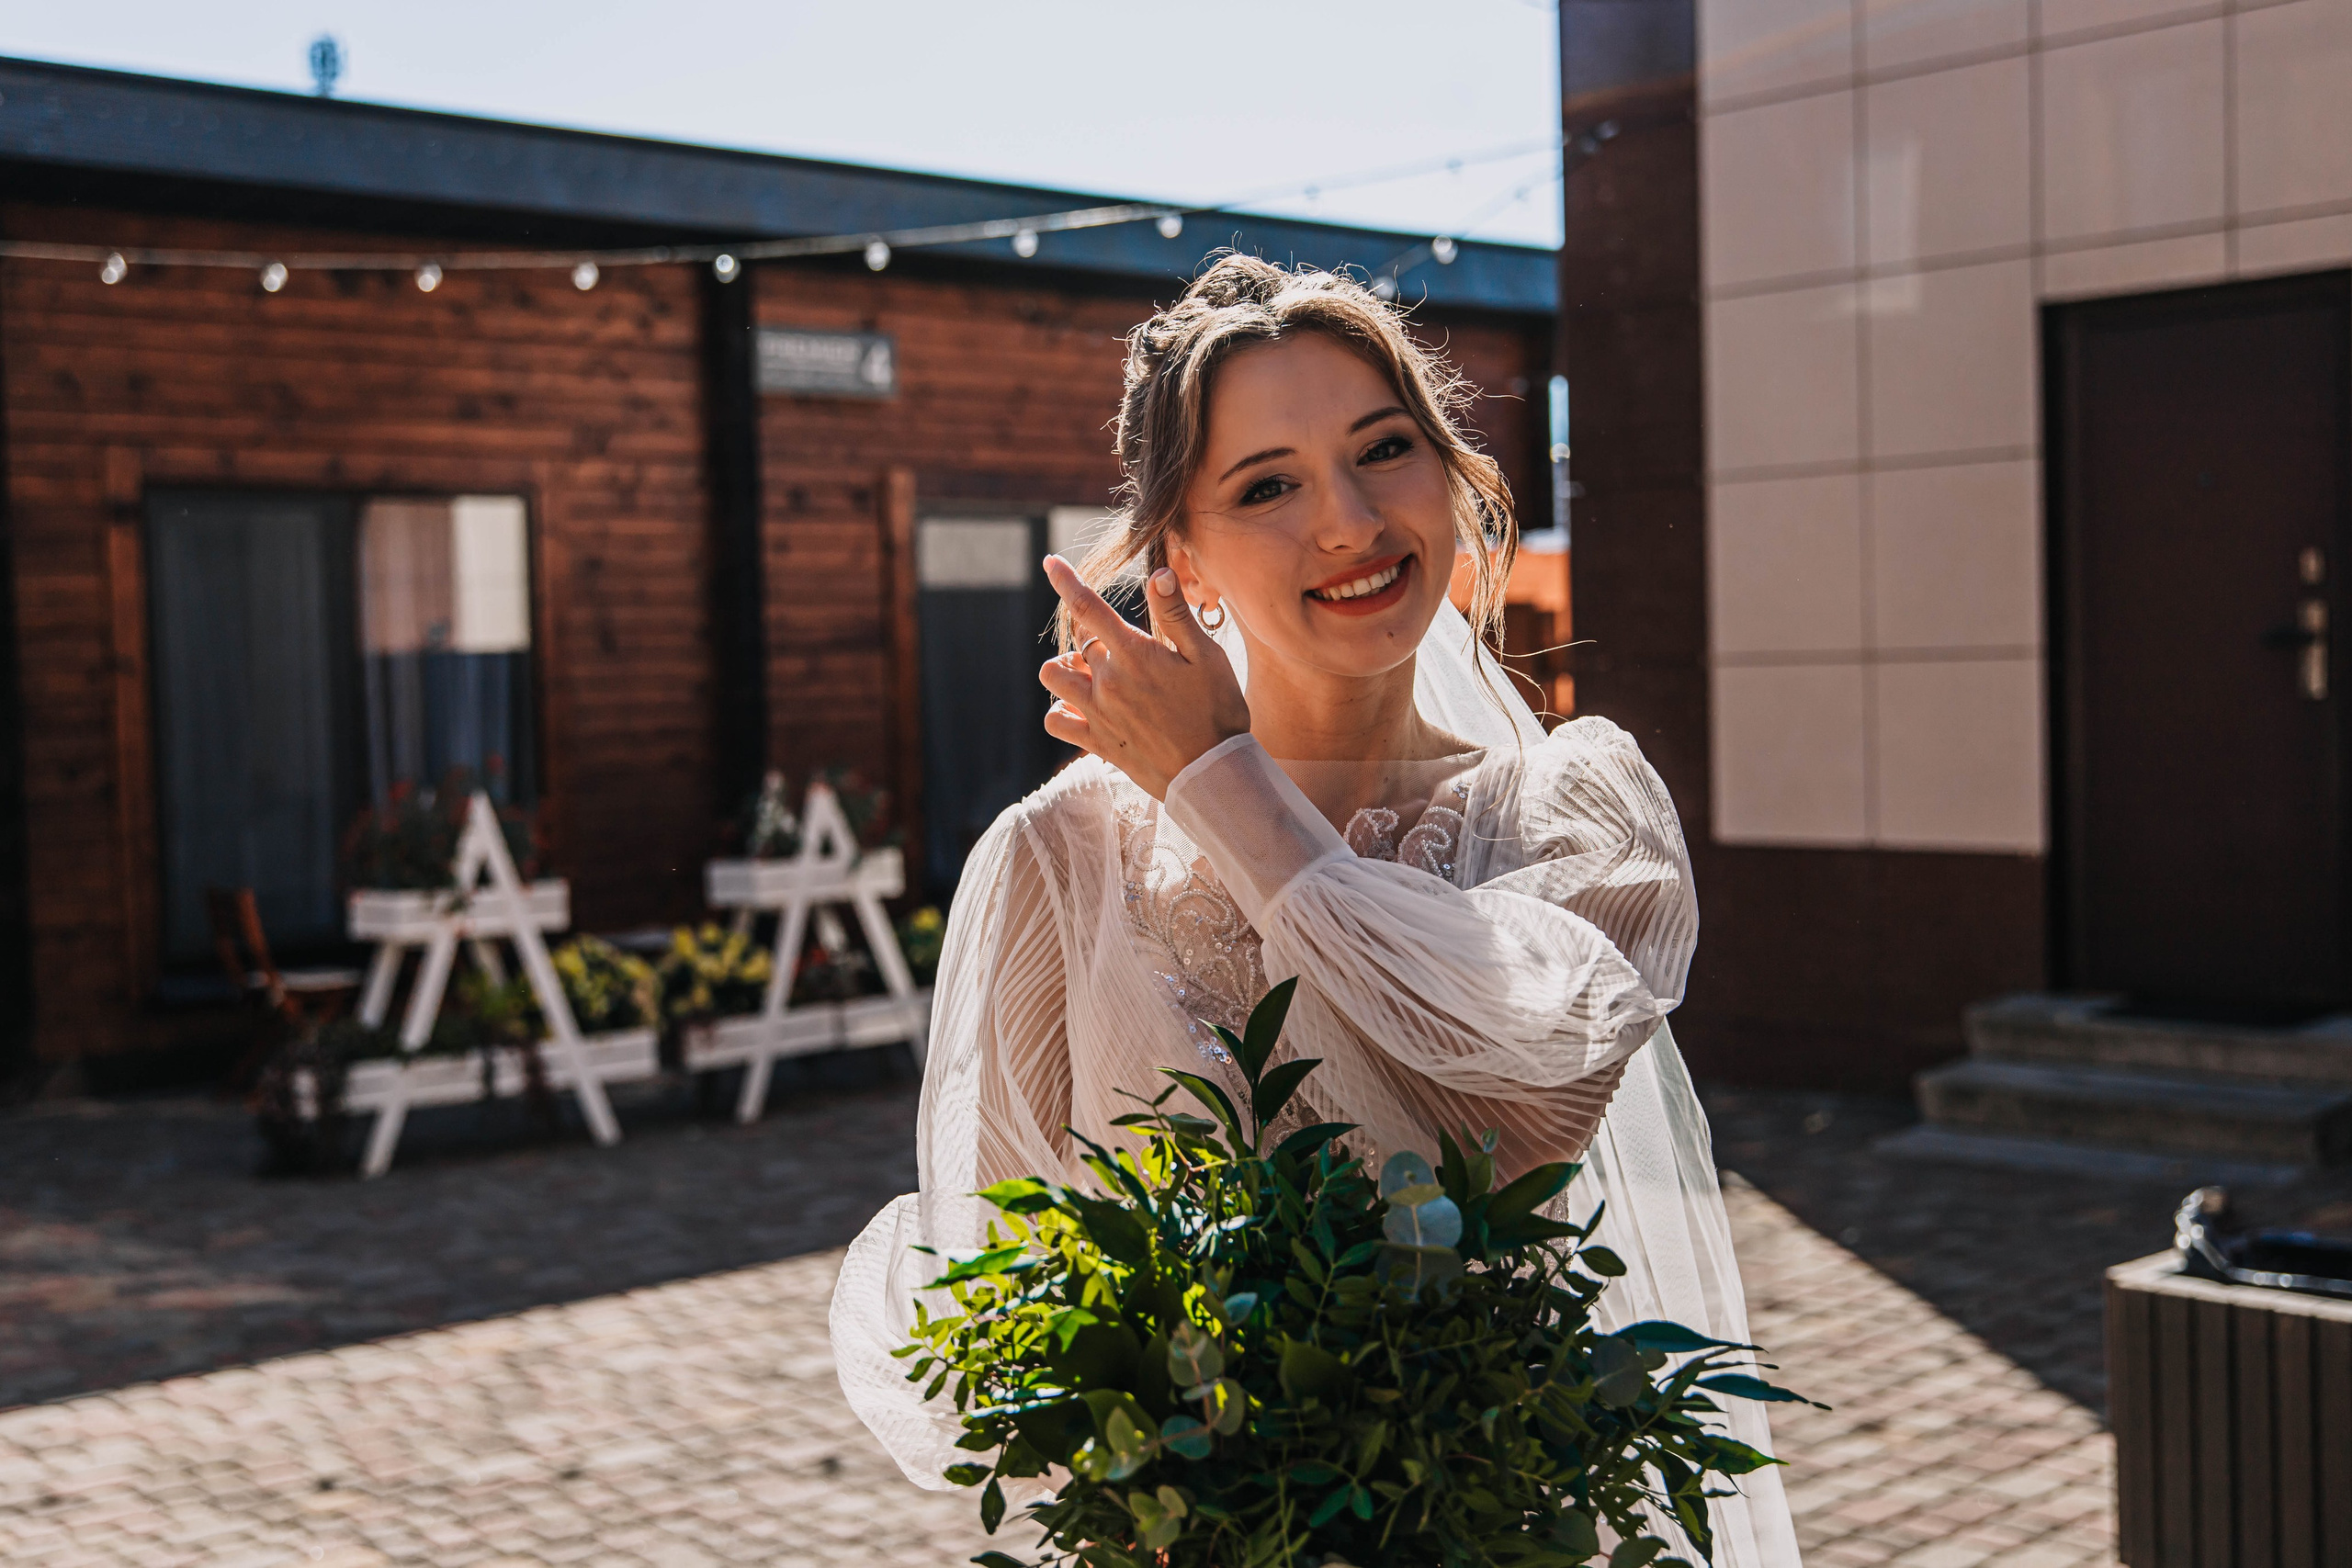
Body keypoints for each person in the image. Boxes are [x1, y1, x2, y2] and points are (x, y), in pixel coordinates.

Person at [831, 254, 1799, 1566]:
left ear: (1454, 476)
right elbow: (1011, 1281)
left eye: (1384, 449)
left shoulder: (1573, 815)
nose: (1347, 520)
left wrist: (1215, 782)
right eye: (1267, 484)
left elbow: (1513, 1104)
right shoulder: (1060, 857)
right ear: (1183, 554)